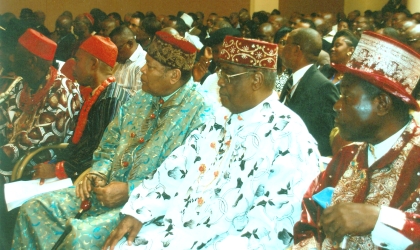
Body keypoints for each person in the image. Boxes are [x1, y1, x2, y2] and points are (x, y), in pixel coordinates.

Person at [102, 35, 320, 250]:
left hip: (228, 242)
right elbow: (175, 169)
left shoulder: (290, 136)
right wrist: (138, 210)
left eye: (229, 75)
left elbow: (274, 222)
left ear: (257, 80)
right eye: (220, 72)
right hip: (176, 230)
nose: (220, 82)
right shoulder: (220, 119)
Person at [13, 31, 213, 249]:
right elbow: (109, 142)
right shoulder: (141, 98)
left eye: (151, 66)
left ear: (174, 75)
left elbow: (191, 179)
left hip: (144, 209)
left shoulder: (202, 114)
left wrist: (129, 190)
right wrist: (99, 172)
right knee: (34, 209)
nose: (142, 70)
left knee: (80, 238)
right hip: (102, 192)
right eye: (145, 63)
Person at [293, 31, 420, 250]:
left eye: (346, 96)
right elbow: (309, 221)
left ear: (382, 104)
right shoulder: (348, 154)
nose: (336, 106)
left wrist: (378, 220)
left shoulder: (415, 158)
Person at [0, 28, 82, 249]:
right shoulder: (21, 82)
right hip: (11, 157)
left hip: (39, 164)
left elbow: (44, 136)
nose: (10, 58)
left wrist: (6, 150)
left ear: (32, 61)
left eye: (16, 54)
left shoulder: (62, 89)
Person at [31, 35, 130, 183]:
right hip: (74, 171)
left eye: (77, 60)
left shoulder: (111, 100)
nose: (73, 66)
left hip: (85, 179)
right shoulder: (98, 92)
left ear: (94, 64)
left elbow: (100, 154)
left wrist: (57, 170)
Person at [280, 28, 339, 156]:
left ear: (296, 49)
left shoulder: (323, 87)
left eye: (285, 44)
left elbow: (325, 137)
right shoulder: (292, 79)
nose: (282, 49)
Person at [110, 25, 147, 96]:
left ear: (130, 44)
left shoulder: (143, 63)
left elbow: (138, 98)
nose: (114, 55)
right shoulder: (120, 59)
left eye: (117, 50)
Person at [274, 26, 293, 94]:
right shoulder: (269, 65)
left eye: (290, 44)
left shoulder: (295, 69)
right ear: (276, 44)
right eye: (283, 43)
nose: (287, 48)